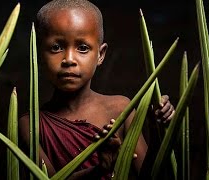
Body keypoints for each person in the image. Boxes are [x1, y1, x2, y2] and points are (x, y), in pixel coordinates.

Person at [19, 0, 175, 179]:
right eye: (56, 47)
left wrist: (158, 129)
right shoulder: (30, 124)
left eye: (82, 48)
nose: (69, 59)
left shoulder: (120, 109)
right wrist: (100, 169)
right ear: (39, 53)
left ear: (100, 55)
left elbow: (149, 176)